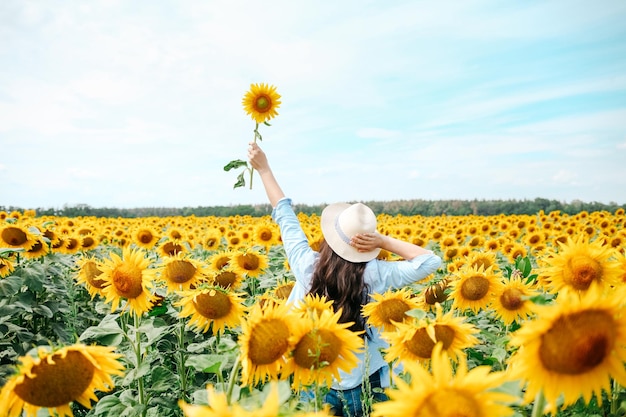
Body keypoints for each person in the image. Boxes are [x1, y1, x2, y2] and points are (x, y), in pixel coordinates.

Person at [247, 142, 442, 416]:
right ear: (367, 243)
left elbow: (285, 215)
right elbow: (430, 261)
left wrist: (264, 169)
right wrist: (384, 241)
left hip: (314, 376)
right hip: (361, 381)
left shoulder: (307, 266)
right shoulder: (377, 274)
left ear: (329, 237)